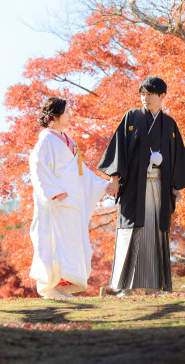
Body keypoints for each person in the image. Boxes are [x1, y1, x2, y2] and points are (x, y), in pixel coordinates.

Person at [98, 76, 185, 295]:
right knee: (131, 232)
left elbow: (177, 156)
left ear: (162, 96)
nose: (145, 98)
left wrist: (175, 185)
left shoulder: (169, 123)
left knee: (154, 232)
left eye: (150, 94)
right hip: (134, 187)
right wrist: (114, 179)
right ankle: (125, 288)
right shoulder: (131, 117)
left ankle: (154, 287)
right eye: (142, 93)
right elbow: (118, 150)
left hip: (159, 188)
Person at [29, 97, 110, 299]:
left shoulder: (68, 141)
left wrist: (105, 184)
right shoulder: (46, 140)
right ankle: (50, 288)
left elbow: (81, 173)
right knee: (54, 242)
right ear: (54, 116)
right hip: (55, 201)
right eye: (66, 112)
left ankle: (63, 286)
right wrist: (54, 191)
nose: (70, 115)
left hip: (71, 202)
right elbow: (37, 167)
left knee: (72, 243)